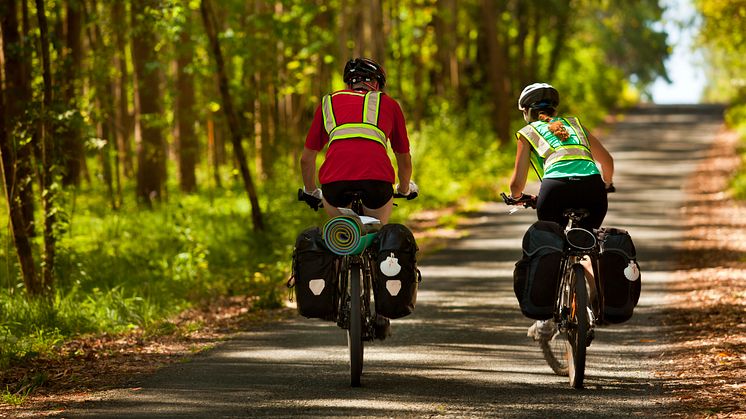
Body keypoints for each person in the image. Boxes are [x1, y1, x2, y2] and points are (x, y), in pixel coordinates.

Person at [506, 82, 615, 340]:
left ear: (526, 111)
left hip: (555, 191)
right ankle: (595, 295)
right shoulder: (576, 126)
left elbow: (516, 183)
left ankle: (545, 323)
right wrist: (607, 184)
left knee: (551, 247)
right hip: (593, 190)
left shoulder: (528, 132)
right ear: (555, 109)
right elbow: (607, 162)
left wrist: (517, 198)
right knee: (587, 243)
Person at [300, 57, 417, 224]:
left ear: (349, 84)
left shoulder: (328, 102)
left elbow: (306, 160)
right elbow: (404, 160)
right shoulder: (389, 103)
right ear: (376, 84)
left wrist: (311, 191)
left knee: (341, 240)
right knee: (377, 236)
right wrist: (404, 189)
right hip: (377, 180)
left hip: (334, 183)